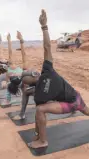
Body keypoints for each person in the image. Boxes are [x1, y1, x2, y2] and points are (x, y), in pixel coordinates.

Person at [9, 9, 89, 149]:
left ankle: (43, 141)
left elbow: (47, 47)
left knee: (40, 110)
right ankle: (41, 139)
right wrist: (44, 26)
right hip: (75, 97)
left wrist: (44, 26)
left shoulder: (42, 83)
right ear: (34, 77)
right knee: (42, 110)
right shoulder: (46, 72)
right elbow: (47, 47)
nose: (34, 72)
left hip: (72, 102)